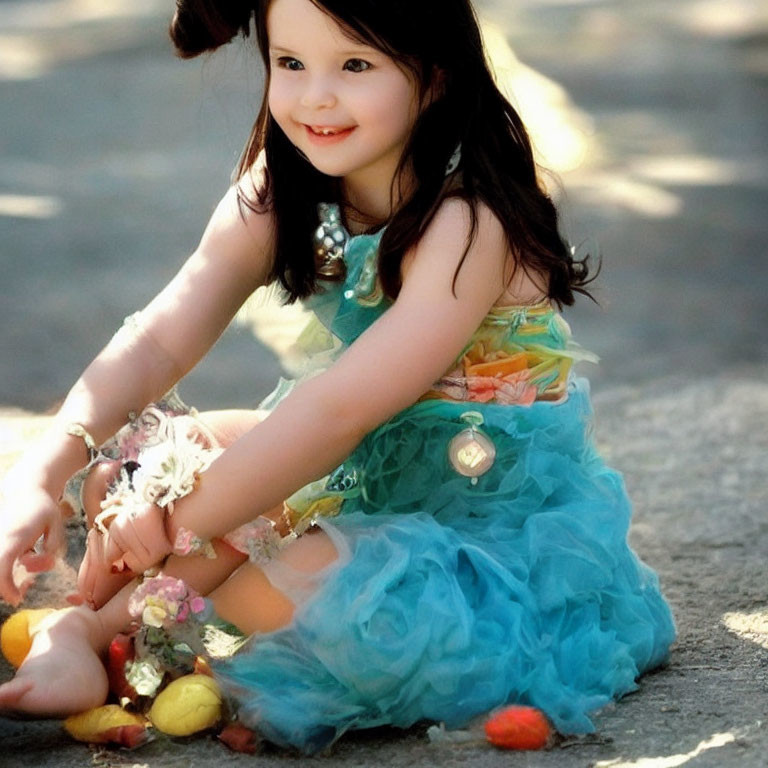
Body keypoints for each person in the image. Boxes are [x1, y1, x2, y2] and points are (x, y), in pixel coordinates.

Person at [0, 0, 676, 752]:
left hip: (480, 512)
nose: (315, 96)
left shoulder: (467, 222)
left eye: (355, 65)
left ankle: (123, 618)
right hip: (359, 468)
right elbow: (159, 340)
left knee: (299, 596)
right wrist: (39, 472)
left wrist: (174, 525)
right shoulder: (283, 191)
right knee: (134, 466)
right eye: (291, 63)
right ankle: (92, 627)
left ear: (435, 75)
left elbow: (337, 411)